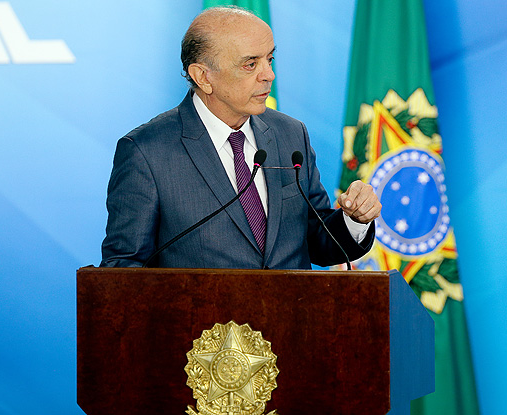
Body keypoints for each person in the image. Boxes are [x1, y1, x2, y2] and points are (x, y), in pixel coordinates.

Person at [100, 6, 381, 269]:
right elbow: (124, 268)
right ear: (203, 77)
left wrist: (355, 220)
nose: (269, 75)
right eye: (250, 64)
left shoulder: (290, 134)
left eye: (269, 59)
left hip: (292, 307)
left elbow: (318, 241)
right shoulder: (146, 152)